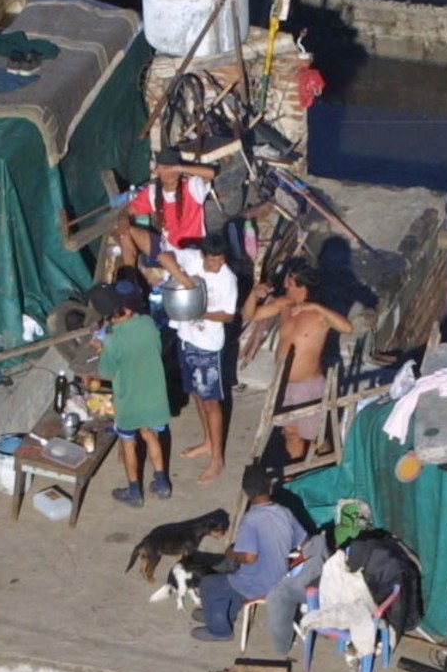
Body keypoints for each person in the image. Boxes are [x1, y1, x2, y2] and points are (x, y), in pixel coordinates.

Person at [242, 258, 353, 463]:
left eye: (290, 283)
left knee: (316, 437)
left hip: (308, 385)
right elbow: (251, 315)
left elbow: (347, 328)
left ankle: (325, 467)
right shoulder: (284, 305)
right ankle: (295, 472)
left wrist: (317, 308)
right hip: (284, 384)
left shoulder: (319, 314)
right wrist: (253, 295)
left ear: (303, 286)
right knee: (291, 433)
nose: (285, 286)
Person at [156, 233, 240, 485]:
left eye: (221, 260)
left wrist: (199, 310)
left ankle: (217, 459)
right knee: (197, 395)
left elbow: (227, 315)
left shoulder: (228, 279)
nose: (217, 265)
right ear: (204, 255)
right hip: (187, 340)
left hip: (208, 347)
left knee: (212, 402)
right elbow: (163, 256)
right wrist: (187, 282)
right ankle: (207, 441)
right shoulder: (192, 259)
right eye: (213, 260)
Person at [192, 463, 303, 643]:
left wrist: (232, 553)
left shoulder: (251, 519)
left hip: (257, 584)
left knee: (209, 584)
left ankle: (220, 630)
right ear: (269, 487)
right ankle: (216, 614)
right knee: (230, 579)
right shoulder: (285, 512)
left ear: (246, 492)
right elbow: (300, 540)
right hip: (280, 578)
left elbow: (250, 557)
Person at [89, 282, 172, 507]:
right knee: (150, 435)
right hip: (154, 396)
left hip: (129, 402)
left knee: (129, 444)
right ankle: (162, 483)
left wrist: (100, 348)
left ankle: (135, 492)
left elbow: (106, 371)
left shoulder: (112, 341)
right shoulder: (147, 323)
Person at [118, 147, 218, 274]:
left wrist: (179, 168)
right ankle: (129, 276)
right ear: (157, 171)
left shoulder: (192, 187)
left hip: (192, 252)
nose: (169, 173)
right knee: (126, 230)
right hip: (167, 248)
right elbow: (127, 210)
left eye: (172, 168)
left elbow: (211, 173)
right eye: (165, 168)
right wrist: (123, 218)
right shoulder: (153, 192)